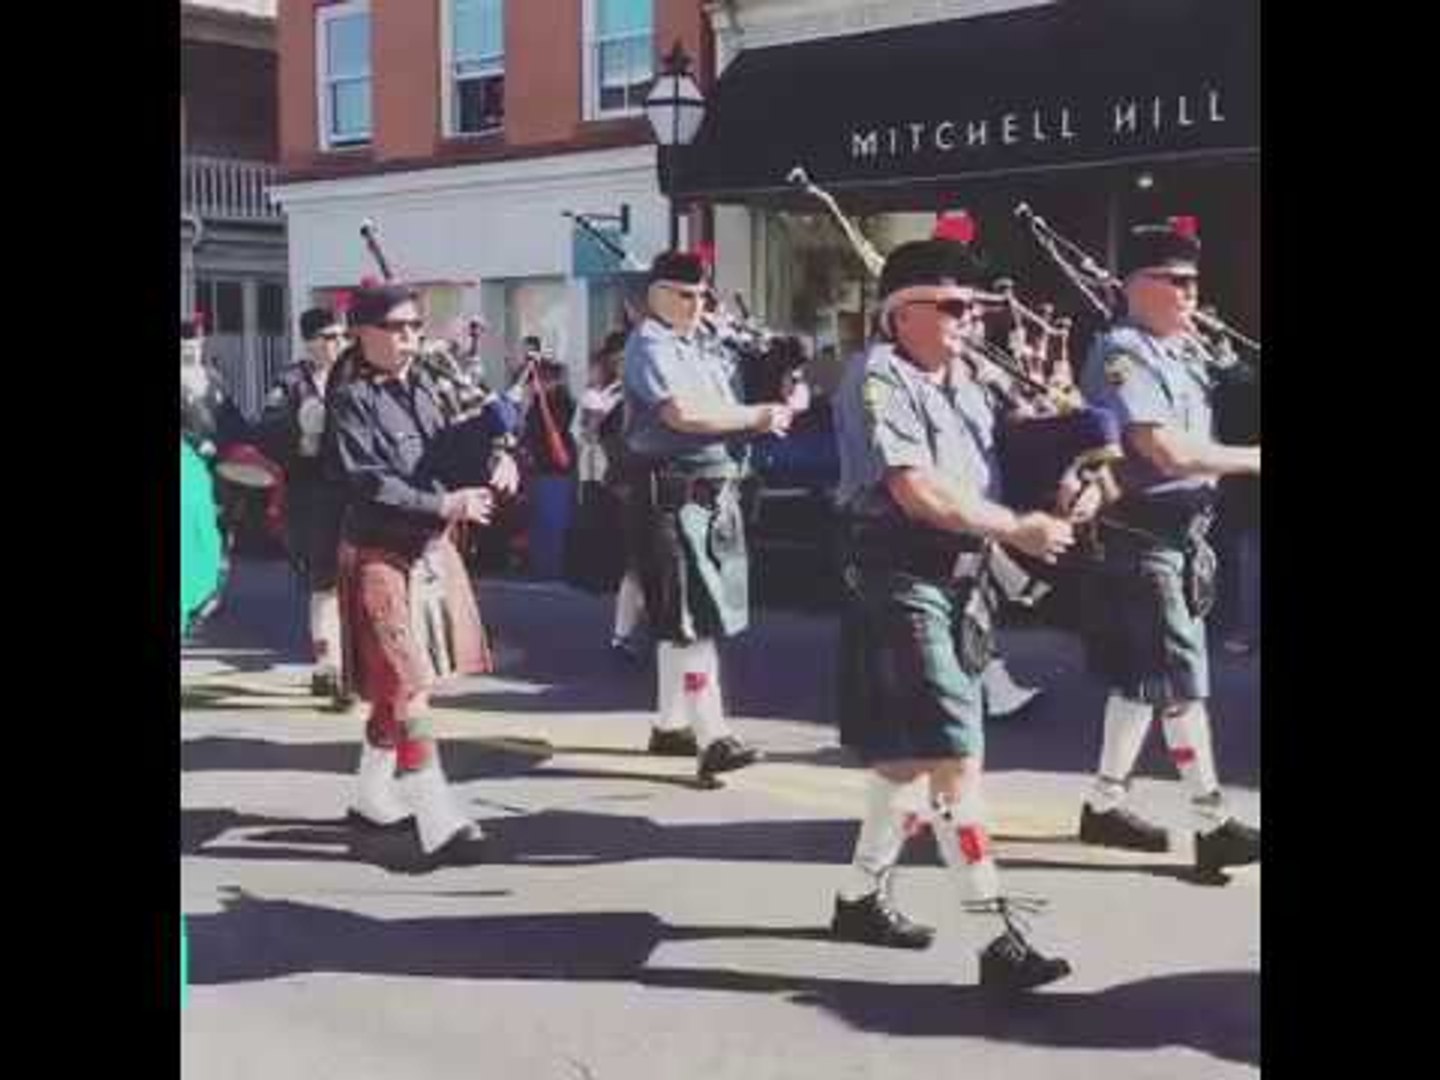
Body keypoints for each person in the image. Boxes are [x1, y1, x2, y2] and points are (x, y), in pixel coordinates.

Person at [830, 237, 1076, 991]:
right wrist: (1017, 528)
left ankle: (858, 897)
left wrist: (1078, 465)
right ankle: (994, 933)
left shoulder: (970, 378)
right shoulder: (876, 377)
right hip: (902, 576)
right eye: (954, 307)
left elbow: (1037, 440)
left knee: (905, 761)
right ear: (901, 315)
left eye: (974, 308)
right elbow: (919, 494)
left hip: (961, 585)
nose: (971, 321)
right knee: (955, 756)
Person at [1074, 223, 1262, 878]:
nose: (1189, 293)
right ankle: (1212, 821)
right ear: (1135, 286)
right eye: (1173, 281)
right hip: (1142, 530)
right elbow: (1167, 451)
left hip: (1186, 530)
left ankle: (1104, 804)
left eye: (1193, 282)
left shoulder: (1179, 351)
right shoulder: (1124, 353)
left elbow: (1230, 391)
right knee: (1182, 678)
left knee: (1142, 678)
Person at [324, 283, 498, 864]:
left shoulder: (425, 386)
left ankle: (372, 796)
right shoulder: (349, 400)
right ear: (362, 334)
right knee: (408, 682)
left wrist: (496, 457)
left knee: (392, 688)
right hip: (376, 553)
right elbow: (369, 482)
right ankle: (437, 817)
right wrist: (445, 506)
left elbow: (454, 447)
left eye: (414, 327)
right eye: (396, 328)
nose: (408, 338)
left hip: (425, 551)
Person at [621, 251, 800, 781]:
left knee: (686, 616)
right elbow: (684, 414)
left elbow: (738, 392)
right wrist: (758, 416)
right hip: (672, 491)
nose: (696, 304)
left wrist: (782, 383)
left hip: (714, 490)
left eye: (701, 295)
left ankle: (670, 725)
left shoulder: (702, 341)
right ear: (655, 295)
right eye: (684, 294)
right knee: (692, 618)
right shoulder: (650, 343)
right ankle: (713, 735)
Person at [257, 307, 352, 703]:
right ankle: (328, 665)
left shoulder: (354, 376)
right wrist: (300, 432)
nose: (336, 345)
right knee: (324, 582)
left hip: (355, 492)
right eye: (327, 337)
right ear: (308, 341)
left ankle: (356, 664)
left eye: (341, 336)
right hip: (312, 494)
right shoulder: (290, 382)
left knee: (359, 584)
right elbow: (267, 432)